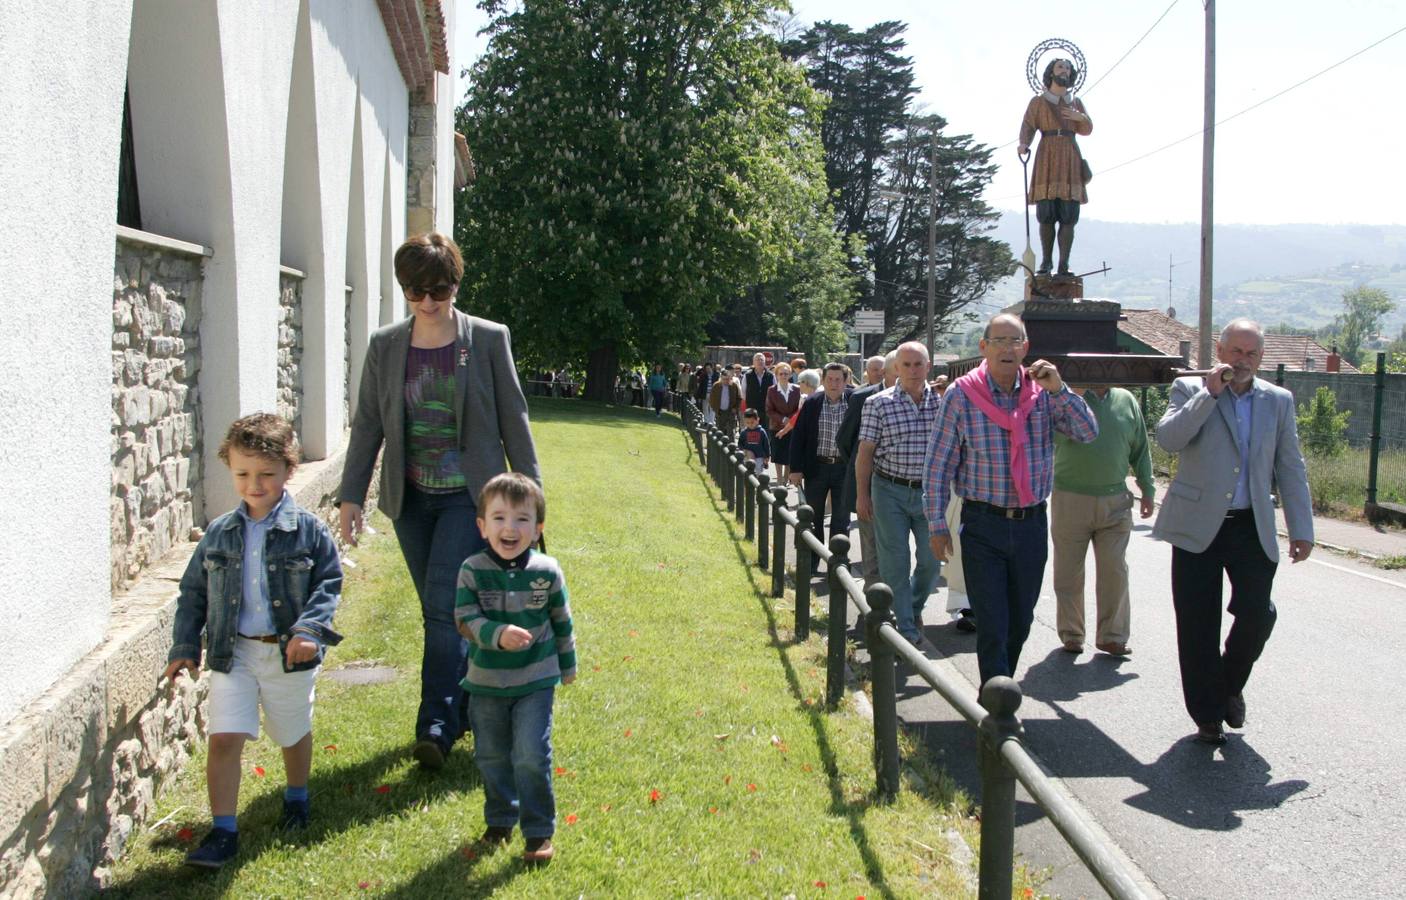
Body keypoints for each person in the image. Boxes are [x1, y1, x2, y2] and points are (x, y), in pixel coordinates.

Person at [338, 232, 540, 771]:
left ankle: (435, 721)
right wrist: (351, 496)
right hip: (410, 499)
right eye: (415, 290)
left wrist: (531, 503)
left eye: (439, 288)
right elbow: (368, 424)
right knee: (458, 612)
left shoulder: (488, 340)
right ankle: (472, 705)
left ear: (456, 283)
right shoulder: (385, 345)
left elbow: (514, 422)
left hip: (469, 500)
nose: (428, 301)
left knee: (442, 608)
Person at [165, 414, 343, 869]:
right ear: (230, 470)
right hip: (235, 652)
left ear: (288, 470)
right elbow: (193, 593)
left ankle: (296, 798)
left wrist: (307, 630)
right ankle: (223, 831)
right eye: (243, 474)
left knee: (291, 730)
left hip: (287, 653)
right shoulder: (220, 532)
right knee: (224, 737)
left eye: (266, 474)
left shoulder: (308, 530)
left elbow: (328, 582)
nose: (254, 484)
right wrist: (185, 646)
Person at [1152, 318, 1313, 745]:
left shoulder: (1278, 400)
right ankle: (1207, 714)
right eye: (1235, 352)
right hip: (1196, 526)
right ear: (1220, 351)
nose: (1241, 361)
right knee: (1197, 623)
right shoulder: (1190, 389)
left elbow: (1290, 466)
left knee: (1258, 613)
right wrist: (1209, 394)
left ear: (1261, 358)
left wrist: (1302, 527)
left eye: (1251, 354)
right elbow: (1169, 439)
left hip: (1250, 525)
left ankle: (1229, 683)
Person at [923, 314, 1097, 687]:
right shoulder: (961, 395)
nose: (1007, 348)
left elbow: (1087, 433)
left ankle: (1002, 687)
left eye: (1014, 341)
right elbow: (938, 466)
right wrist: (937, 526)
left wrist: (1059, 389)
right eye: (998, 341)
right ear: (983, 348)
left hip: (1031, 522)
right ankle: (996, 702)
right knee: (990, 620)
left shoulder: (1043, 394)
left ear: (1026, 348)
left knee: (1020, 620)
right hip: (982, 523)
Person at [456, 473, 575, 864]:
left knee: (530, 753)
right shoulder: (472, 570)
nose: (511, 528)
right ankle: (500, 818)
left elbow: (561, 619)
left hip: (535, 680)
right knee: (491, 755)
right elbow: (463, 618)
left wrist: (568, 664)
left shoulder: (547, 570)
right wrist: (496, 632)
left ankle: (538, 831)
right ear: (482, 526)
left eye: (522, 519)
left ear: (538, 528)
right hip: (486, 682)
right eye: (499, 517)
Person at [1052, 385, 1156, 657]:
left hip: (1115, 500)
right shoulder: (1065, 398)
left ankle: (1112, 636)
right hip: (1069, 498)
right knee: (1068, 572)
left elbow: (1140, 447)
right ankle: (1072, 634)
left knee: (1114, 570)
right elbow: (1047, 440)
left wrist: (1147, 489)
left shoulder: (1126, 399)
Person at [855, 344, 944, 643]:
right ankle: (905, 627)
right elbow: (864, 453)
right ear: (896, 369)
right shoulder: (878, 403)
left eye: (918, 364)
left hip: (928, 494)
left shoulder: (942, 404)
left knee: (932, 560)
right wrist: (862, 495)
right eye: (905, 365)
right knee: (895, 560)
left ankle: (912, 607)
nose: (912, 371)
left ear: (928, 366)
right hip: (888, 489)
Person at [1017, 58, 1092, 276]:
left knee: (1069, 215)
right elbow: (1028, 125)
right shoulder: (1038, 103)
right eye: (1060, 67)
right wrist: (1023, 143)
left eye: (1068, 68)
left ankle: (1063, 264)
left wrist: (1080, 118)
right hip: (1047, 157)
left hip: (1070, 156)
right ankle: (1046, 262)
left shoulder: (1075, 102)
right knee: (1046, 212)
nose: (1065, 71)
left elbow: (1087, 129)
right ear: (1051, 72)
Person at [836, 353, 895, 587]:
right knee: (871, 546)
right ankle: (873, 603)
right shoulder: (861, 398)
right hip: (869, 483)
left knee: (893, 546)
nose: (881, 374)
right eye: (877, 370)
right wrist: (860, 465)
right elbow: (845, 440)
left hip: (898, 487)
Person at [789, 363, 854, 568]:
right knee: (814, 516)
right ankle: (812, 562)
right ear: (823, 381)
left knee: (841, 519)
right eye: (830, 379)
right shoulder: (812, 402)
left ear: (845, 382)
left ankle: (837, 564)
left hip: (843, 469)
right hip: (816, 468)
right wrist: (795, 469)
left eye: (838, 380)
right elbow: (798, 437)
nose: (834, 384)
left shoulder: (855, 403)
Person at [765, 362, 800, 481]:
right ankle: (779, 478)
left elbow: (799, 408)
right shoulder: (771, 390)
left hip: (793, 426)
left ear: (790, 375)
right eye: (781, 374)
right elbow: (769, 410)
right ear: (777, 375)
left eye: (786, 373)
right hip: (776, 426)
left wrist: (790, 419)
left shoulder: (796, 389)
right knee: (778, 453)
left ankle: (786, 477)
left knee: (790, 453)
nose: (784, 376)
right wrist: (783, 419)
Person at [709, 366, 742, 436]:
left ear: (730, 378)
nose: (726, 381)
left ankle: (731, 445)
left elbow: (739, 398)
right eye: (724, 379)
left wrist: (735, 408)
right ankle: (719, 446)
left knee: (730, 431)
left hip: (730, 412)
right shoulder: (716, 386)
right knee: (720, 431)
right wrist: (715, 409)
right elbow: (711, 399)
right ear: (721, 378)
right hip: (720, 412)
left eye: (727, 379)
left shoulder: (734, 386)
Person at [739, 409, 771, 474]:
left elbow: (766, 444)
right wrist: (744, 451)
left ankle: (759, 483)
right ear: (744, 421)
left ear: (757, 420)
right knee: (748, 472)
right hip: (748, 457)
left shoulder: (761, 431)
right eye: (747, 423)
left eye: (752, 422)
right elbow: (740, 444)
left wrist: (767, 456)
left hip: (759, 457)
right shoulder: (743, 432)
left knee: (758, 472)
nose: (750, 424)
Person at [743, 352, 775, 419]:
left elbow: (775, 391)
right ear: (753, 362)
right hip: (752, 409)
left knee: (766, 428)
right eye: (757, 360)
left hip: (767, 409)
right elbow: (743, 392)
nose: (760, 361)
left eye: (762, 360)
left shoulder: (771, 375)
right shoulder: (747, 375)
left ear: (765, 362)